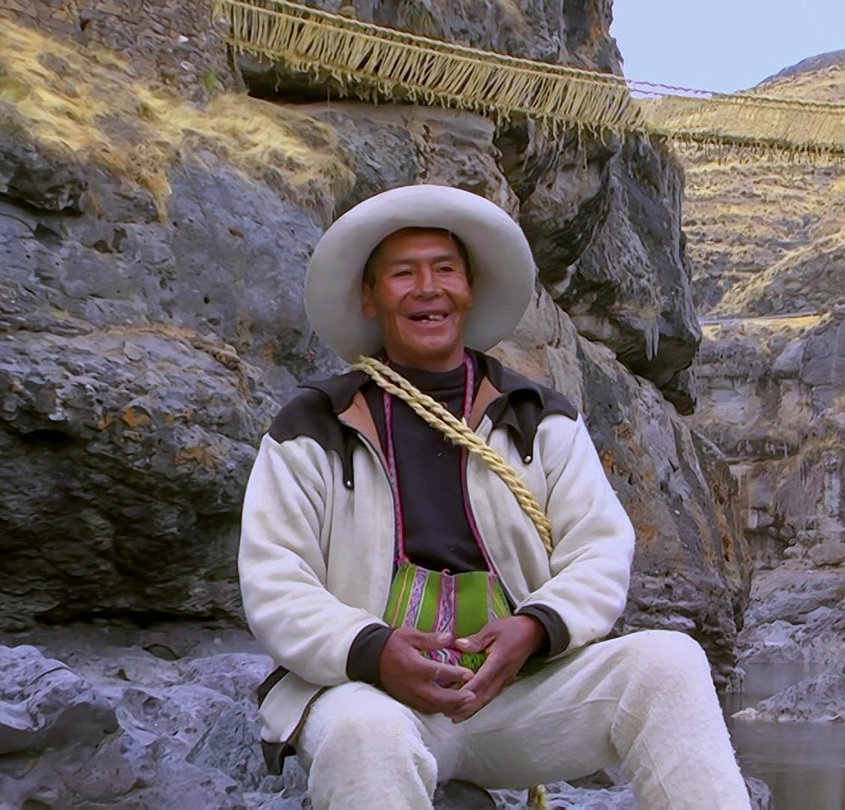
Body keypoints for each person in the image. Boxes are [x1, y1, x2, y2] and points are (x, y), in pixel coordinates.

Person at [238, 184, 751, 809]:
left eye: (445, 270)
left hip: (516, 694)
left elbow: (599, 547)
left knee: (670, 662)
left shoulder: (538, 419)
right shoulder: (315, 425)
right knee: (363, 733)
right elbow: (274, 578)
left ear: (469, 289)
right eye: (403, 273)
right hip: (370, 692)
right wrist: (374, 651)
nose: (428, 288)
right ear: (370, 297)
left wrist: (534, 629)